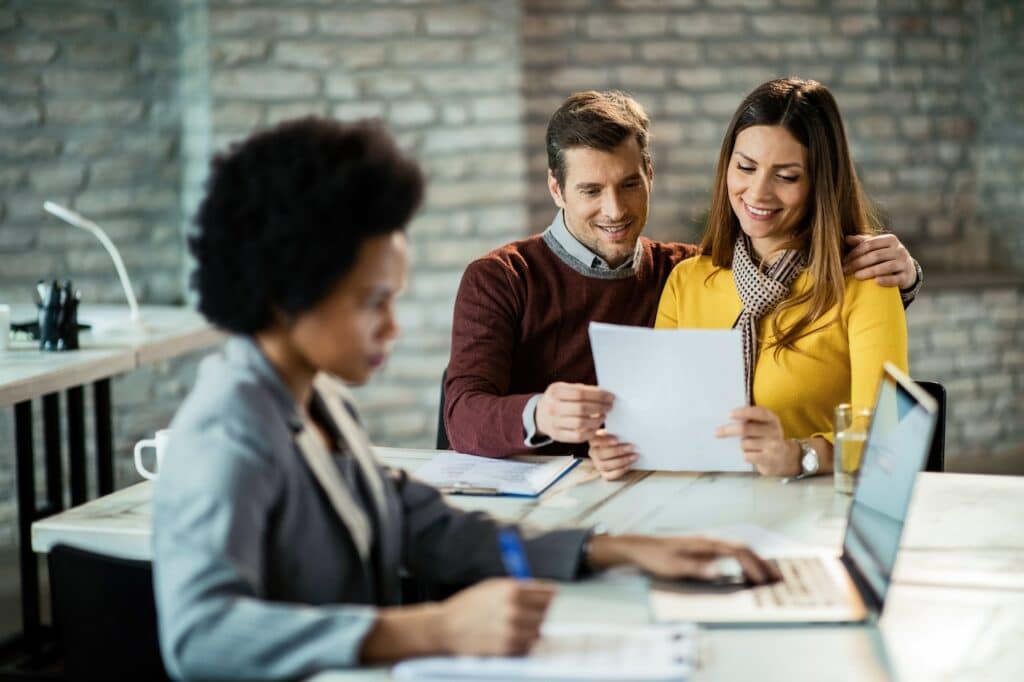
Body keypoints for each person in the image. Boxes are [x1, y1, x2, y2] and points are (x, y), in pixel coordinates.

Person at [152, 117, 778, 681]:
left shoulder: (317, 403)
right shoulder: (228, 430)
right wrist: (432, 630)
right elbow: (201, 637)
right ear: (289, 294)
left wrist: (608, 548)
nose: (393, 328)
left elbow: (424, 525)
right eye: (374, 302)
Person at [444, 90, 921, 459]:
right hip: (542, 491)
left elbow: (775, 268)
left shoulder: (678, 271)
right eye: (590, 190)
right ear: (556, 187)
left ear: (650, 174)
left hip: (672, 491)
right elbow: (461, 416)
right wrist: (540, 412)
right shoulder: (502, 278)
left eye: (630, 184)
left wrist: (905, 275)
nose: (615, 210)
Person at [589, 78, 909, 481]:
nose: (758, 192)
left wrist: (802, 456)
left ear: (820, 184)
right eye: (746, 167)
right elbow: (665, 423)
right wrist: (625, 448)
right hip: (701, 509)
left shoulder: (866, 284)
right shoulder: (688, 282)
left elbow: (889, 439)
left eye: (787, 176)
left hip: (814, 513)